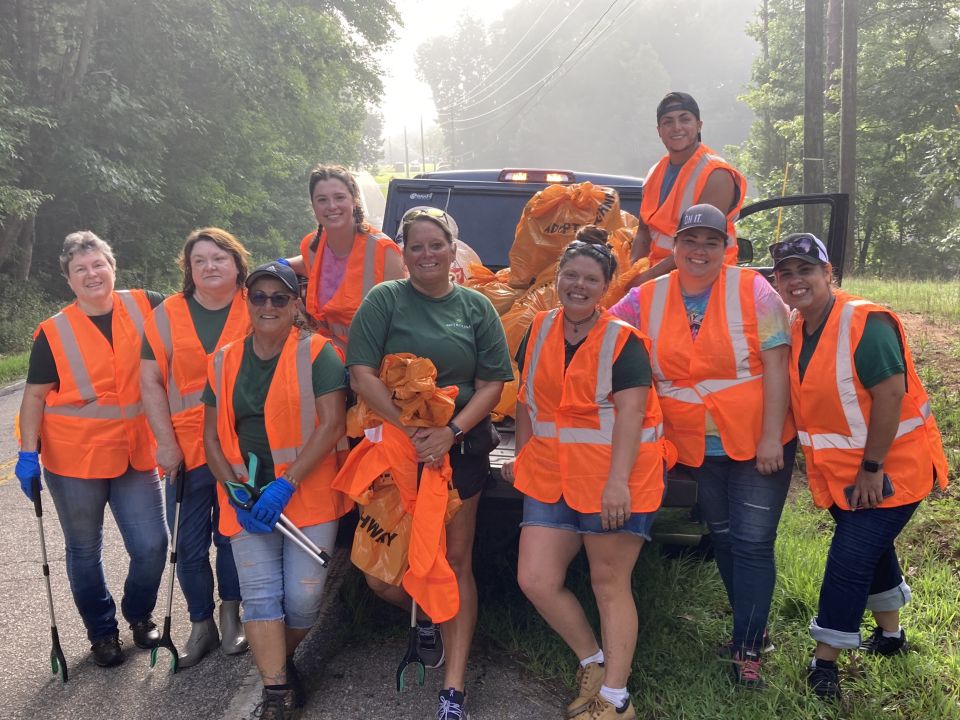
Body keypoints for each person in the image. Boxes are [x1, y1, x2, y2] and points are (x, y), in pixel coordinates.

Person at [611, 204, 796, 689]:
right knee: (727, 537)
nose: (699, 250)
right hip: (697, 446)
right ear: (674, 246)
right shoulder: (643, 299)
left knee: (754, 542)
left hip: (760, 440)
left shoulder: (755, 290)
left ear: (725, 247)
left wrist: (772, 436)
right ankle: (750, 629)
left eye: (710, 241)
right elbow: (600, 333)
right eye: (690, 240)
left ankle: (749, 649)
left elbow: (777, 366)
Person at [347, 206, 513, 720]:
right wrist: (408, 429)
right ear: (404, 253)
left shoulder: (476, 308)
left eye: (435, 245)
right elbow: (361, 374)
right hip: (396, 450)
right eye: (416, 246)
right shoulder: (384, 300)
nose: (426, 255)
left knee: (455, 561)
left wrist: (449, 432)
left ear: (452, 249)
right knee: (381, 576)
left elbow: (492, 384)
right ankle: (433, 621)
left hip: (459, 450)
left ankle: (454, 687)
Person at [769, 233, 949, 701]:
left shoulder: (864, 322)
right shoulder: (796, 325)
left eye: (805, 270)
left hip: (892, 472)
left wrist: (872, 468)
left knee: (849, 562)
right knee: (872, 552)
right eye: (785, 272)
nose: (795, 280)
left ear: (828, 273)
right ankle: (891, 637)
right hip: (844, 478)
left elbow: (890, 395)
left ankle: (825, 661)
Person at [503, 227, 668, 720]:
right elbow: (529, 400)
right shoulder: (539, 328)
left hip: (616, 481)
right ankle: (594, 661)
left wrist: (617, 484)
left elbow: (633, 417)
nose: (577, 285)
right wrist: (523, 452)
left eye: (590, 279)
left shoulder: (624, 341)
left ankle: (616, 700)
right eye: (569, 275)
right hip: (552, 475)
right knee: (534, 578)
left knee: (608, 582)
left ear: (606, 287)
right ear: (557, 278)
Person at [202, 261, 350, 718]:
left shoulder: (319, 353)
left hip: (306, 494)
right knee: (261, 596)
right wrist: (233, 489)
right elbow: (209, 437)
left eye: (279, 298)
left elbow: (332, 426)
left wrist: (284, 485)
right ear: (246, 301)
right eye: (259, 296)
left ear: (294, 304)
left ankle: (276, 664)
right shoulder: (224, 359)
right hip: (245, 498)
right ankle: (277, 692)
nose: (268, 305)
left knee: (303, 598)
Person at [14, 231, 167, 667]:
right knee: (84, 550)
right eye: (80, 269)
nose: (91, 274)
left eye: (98, 264)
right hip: (73, 460)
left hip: (136, 452)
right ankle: (102, 632)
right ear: (69, 279)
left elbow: (192, 329)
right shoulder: (53, 331)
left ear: (112, 266)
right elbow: (35, 397)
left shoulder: (148, 304)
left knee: (153, 546)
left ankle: (138, 614)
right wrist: (28, 453)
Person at [141, 227, 251, 667]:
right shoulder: (167, 313)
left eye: (219, 258)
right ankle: (200, 623)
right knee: (187, 543)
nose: (209, 267)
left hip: (239, 447)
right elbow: (149, 380)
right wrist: (165, 444)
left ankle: (231, 618)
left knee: (231, 536)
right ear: (188, 269)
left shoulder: (257, 304)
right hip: (185, 448)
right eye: (199, 260)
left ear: (237, 264)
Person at [629, 92, 747, 285]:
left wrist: (643, 281)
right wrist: (631, 271)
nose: (676, 127)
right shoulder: (654, 173)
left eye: (684, 119)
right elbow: (643, 231)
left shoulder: (716, 174)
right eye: (668, 122)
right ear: (659, 130)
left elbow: (696, 246)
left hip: (707, 285)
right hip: (659, 282)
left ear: (699, 125)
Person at [287, 164, 405, 354]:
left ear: (354, 200)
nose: (331, 206)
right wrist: (278, 266)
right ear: (313, 205)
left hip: (370, 360)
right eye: (322, 200)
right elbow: (315, 265)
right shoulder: (311, 246)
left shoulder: (384, 251)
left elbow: (401, 323)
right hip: (323, 352)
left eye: (339, 197)